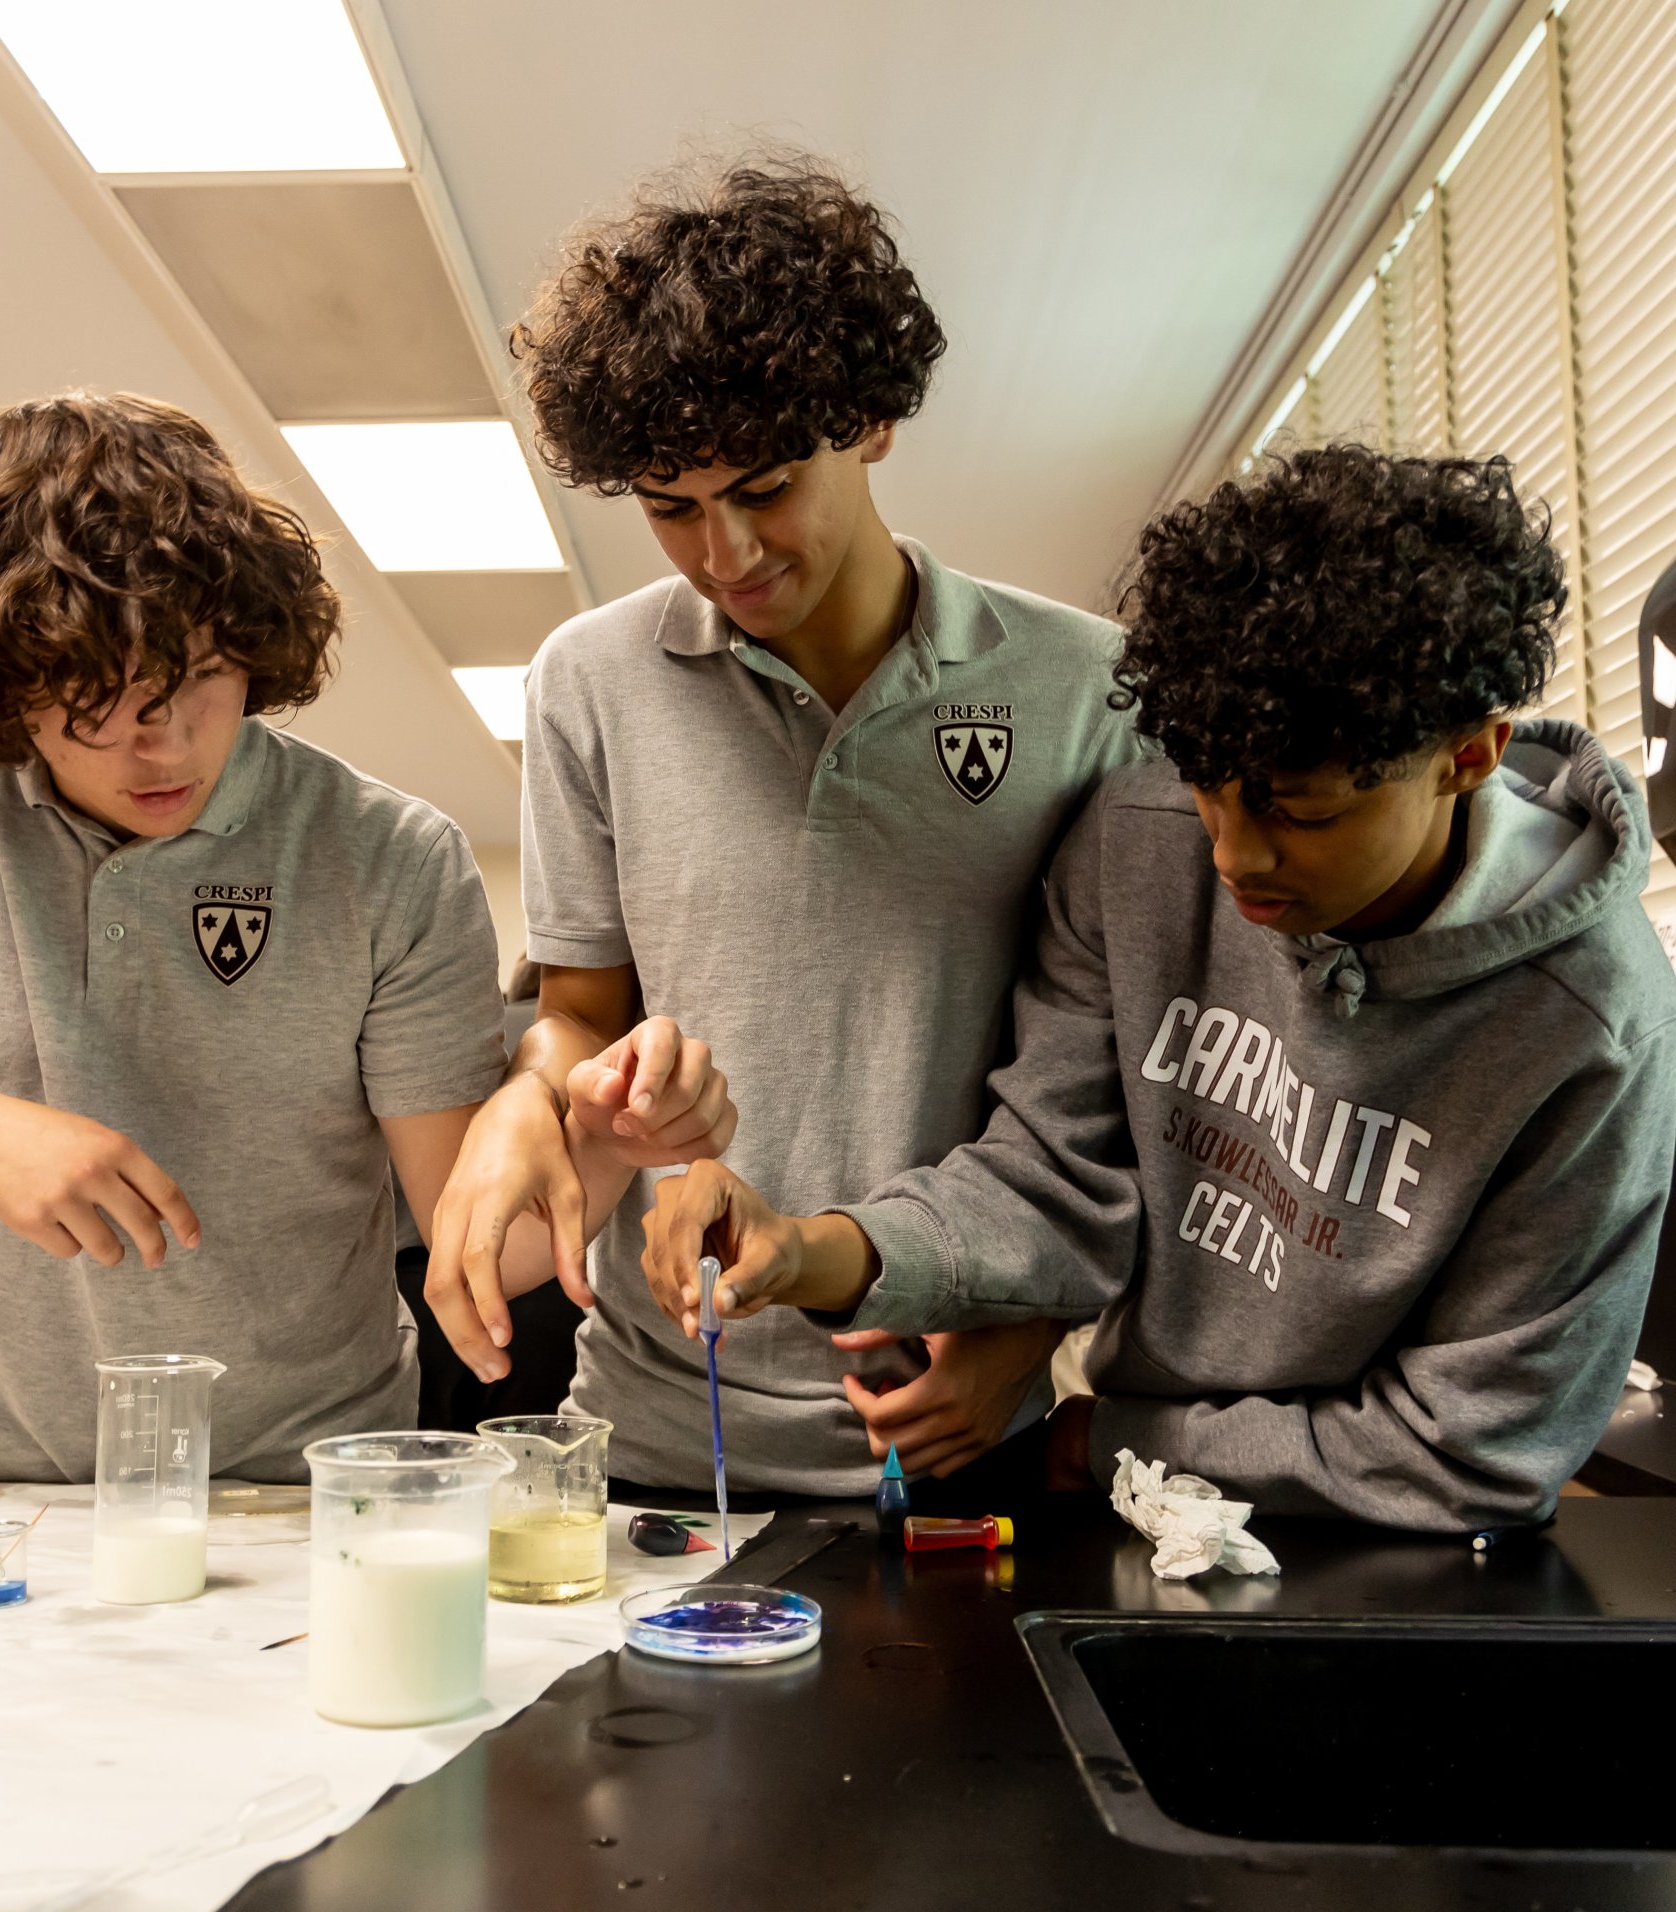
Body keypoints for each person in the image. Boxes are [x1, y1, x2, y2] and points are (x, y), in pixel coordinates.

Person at [646, 445, 1676, 1530]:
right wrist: (811, 1250)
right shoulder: (1139, 843)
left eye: (1301, 812)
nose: (1234, 858)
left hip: (1397, 1556)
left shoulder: (1593, 1023)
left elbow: (1480, 1448)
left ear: (1468, 756)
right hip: (1143, 1516)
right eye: (1207, 793)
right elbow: (1055, 1174)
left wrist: (1119, 1440)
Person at [0, 392, 729, 1480]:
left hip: (309, 1488)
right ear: (2, 686)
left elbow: (478, 1244)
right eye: (99, 701)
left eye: (202, 680)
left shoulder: (389, 856)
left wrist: (602, 1140)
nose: (162, 743)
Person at [425, 154, 1139, 1495]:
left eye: (762, 489)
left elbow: (1106, 1101)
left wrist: (1028, 1338)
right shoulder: (587, 682)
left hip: (956, 1424)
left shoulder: (1086, 692)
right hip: (651, 1444)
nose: (725, 555)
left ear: (871, 422)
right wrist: (537, 1092)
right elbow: (585, 1012)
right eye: (670, 510)